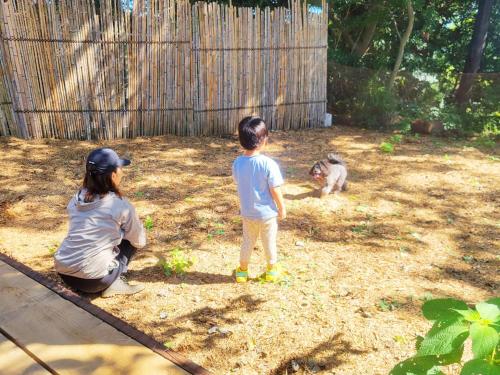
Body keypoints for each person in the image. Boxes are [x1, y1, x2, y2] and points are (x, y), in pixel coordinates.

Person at [54, 148, 146, 297]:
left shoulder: (76, 199)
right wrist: (120, 234)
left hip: (64, 272)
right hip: (95, 280)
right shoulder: (120, 205)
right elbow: (139, 241)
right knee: (131, 237)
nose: (122, 171)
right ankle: (115, 283)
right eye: (120, 168)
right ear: (113, 175)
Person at [232, 116, 286, 283]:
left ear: (241, 140)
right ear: (264, 141)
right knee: (269, 242)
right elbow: (275, 189)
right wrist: (282, 208)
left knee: (247, 241)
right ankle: (271, 270)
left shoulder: (238, 163)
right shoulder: (268, 164)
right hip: (267, 215)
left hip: (248, 213)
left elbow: (238, 182)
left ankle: (242, 271)